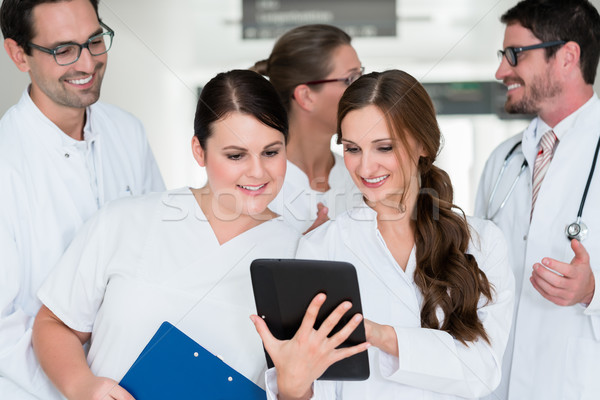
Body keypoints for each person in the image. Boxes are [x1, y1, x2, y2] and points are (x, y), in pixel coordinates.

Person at [31, 69, 301, 399]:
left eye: (271, 152)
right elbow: (55, 323)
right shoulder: (125, 220)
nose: (258, 171)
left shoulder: (299, 254)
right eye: (235, 155)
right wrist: (80, 385)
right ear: (199, 151)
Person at [252, 70, 515, 399]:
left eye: (384, 147)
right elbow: (314, 387)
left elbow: (482, 370)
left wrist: (379, 335)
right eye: (352, 149)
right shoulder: (322, 246)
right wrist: (292, 386)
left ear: (422, 143)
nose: (365, 168)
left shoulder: (482, 242)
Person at [0, 0, 164, 398]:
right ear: (18, 54)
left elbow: (157, 251)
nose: (88, 64)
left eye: (94, 41)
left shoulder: (127, 131)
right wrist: (76, 384)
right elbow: (5, 325)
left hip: (135, 379)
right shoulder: (7, 159)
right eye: (63, 50)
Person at [474, 0, 600, 398]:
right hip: (501, 383)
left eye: (514, 55)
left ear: (567, 56)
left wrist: (592, 291)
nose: (501, 71)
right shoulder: (503, 160)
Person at [251, 24, 363, 233]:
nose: (363, 90)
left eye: (361, 76)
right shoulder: (252, 184)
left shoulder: (362, 175)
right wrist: (303, 251)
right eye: (350, 79)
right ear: (306, 96)